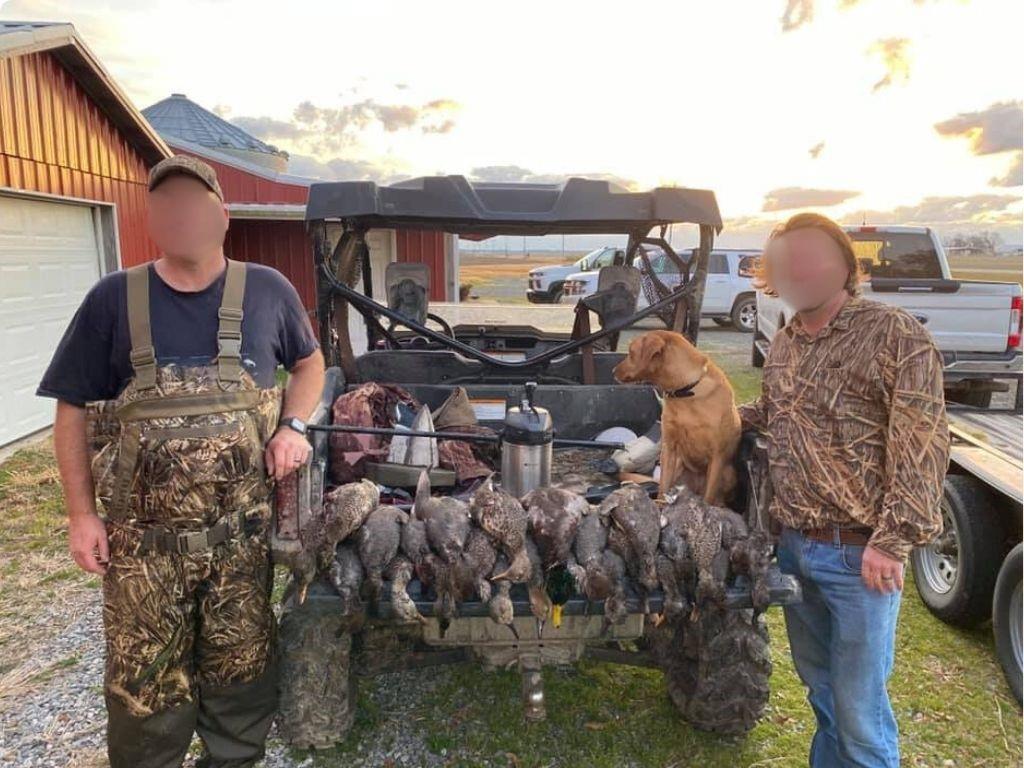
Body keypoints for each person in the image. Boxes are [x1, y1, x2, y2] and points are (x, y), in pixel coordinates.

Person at [37, 155, 326, 768]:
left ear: (222, 215)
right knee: (146, 693)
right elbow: (72, 410)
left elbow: (310, 364)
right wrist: (80, 515)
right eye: (166, 205)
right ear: (151, 218)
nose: (181, 216)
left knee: (242, 674)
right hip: (143, 553)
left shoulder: (268, 289)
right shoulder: (113, 299)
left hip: (239, 548)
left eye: (194, 204)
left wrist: (293, 426)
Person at [740, 212, 950, 767]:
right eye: (785, 263)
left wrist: (891, 541)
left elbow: (921, 445)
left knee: (860, 711)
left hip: (859, 554)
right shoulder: (785, 341)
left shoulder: (894, 333)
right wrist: (699, 411)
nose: (799, 271)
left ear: (844, 265)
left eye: (811, 258)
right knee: (823, 694)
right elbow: (771, 413)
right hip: (794, 546)